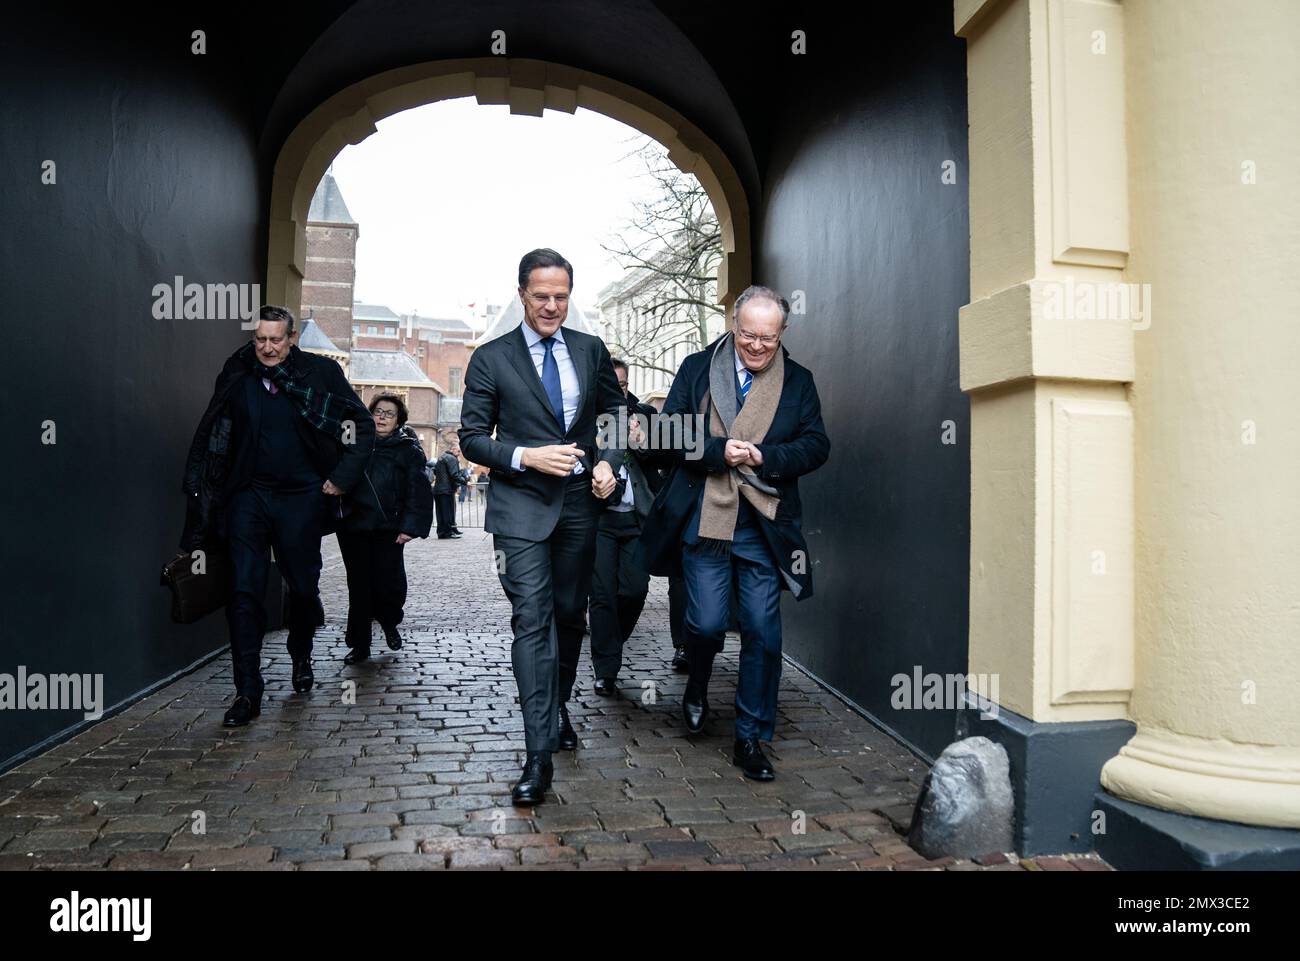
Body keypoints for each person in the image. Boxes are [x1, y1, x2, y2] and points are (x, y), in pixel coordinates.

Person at [638, 285, 829, 780]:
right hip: (707, 516)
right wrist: (719, 450)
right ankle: (697, 682)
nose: (759, 346)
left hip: (765, 523)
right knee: (703, 625)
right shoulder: (697, 369)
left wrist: (766, 456)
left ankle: (751, 736)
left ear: (782, 333)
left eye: (769, 337)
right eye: (749, 335)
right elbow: (669, 433)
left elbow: (815, 445)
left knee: (763, 633)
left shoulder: (799, 381)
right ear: (733, 326)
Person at [459, 248, 624, 806]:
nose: (552, 306)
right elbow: (473, 437)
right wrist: (526, 456)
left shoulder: (590, 349)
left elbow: (613, 417)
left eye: (561, 296)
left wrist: (608, 462)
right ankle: (538, 753)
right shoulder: (491, 358)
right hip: (522, 508)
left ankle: (557, 705)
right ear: (522, 294)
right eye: (541, 296)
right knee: (532, 618)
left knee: (568, 615)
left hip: (580, 505)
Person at [181, 305, 375, 727]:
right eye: (260, 340)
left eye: (275, 340)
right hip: (248, 497)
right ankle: (247, 691)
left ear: (291, 340)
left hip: (302, 497)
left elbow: (359, 423)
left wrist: (340, 479)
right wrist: (210, 492)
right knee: (244, 591)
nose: (266, 348)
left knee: (303, 588)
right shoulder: (238, 371)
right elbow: (214, 430)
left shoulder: (319, 375)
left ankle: (300, 650)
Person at [337, 393, 433, 664]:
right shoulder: (355, 444)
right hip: (355, 527)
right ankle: (360, 644)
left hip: (389, 528)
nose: (382, 417)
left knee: (390, 585)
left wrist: (410, 526)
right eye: (378, 412)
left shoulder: (408, 450)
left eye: (389, 413)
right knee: (359, 587)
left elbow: (419, 491)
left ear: (399, 420)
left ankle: (390, 622)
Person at [587, 359, 661, 696]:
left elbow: (663, 458)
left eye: (623, 382)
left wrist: (641, 441)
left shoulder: (643, 414)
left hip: (637, 518)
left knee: (634, 590)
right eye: (612, 382)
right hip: (599, 519)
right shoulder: (585, 418)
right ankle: (606, 668)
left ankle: (613, 638)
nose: (619, 387)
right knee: (601, 596)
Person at [432, 438, 466, 538]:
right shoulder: (451, 458)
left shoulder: (442, 457)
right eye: (458, 451)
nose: (459, 453)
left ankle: (443, 532)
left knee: (441, 512)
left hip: (439, 489)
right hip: (446, 489)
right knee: (447, 512)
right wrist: (465, 481)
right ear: (452, 450)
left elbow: (435, 471)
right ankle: (447, 532)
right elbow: (454, 474)